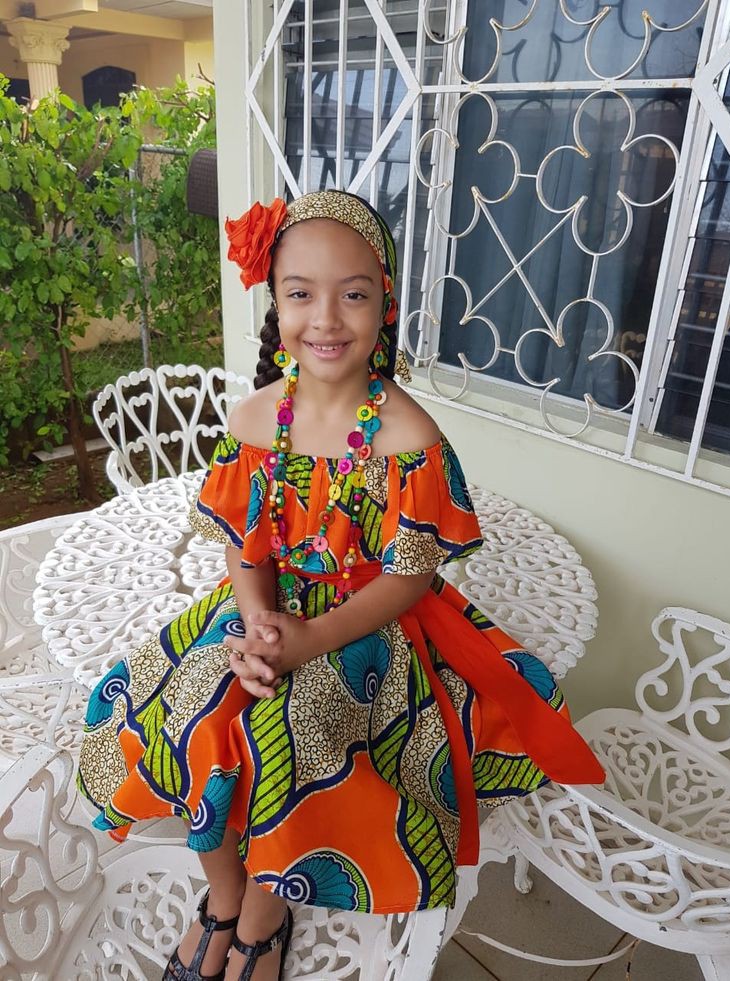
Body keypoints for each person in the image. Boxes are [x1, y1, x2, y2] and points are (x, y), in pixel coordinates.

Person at [77, 190, 605, 981]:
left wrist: (312, 639)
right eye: (301, 293)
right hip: (265, 611)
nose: (325, 318)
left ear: (385, 304)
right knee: (193, 716)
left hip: (364, 624)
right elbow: (245, 545)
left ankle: (265, 917)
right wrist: (259, 623)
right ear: (276, 302)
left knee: (290, 735)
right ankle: (224, 895)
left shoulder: (409, 436)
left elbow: (409, 577)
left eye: (352, 294)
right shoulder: (256, 420)